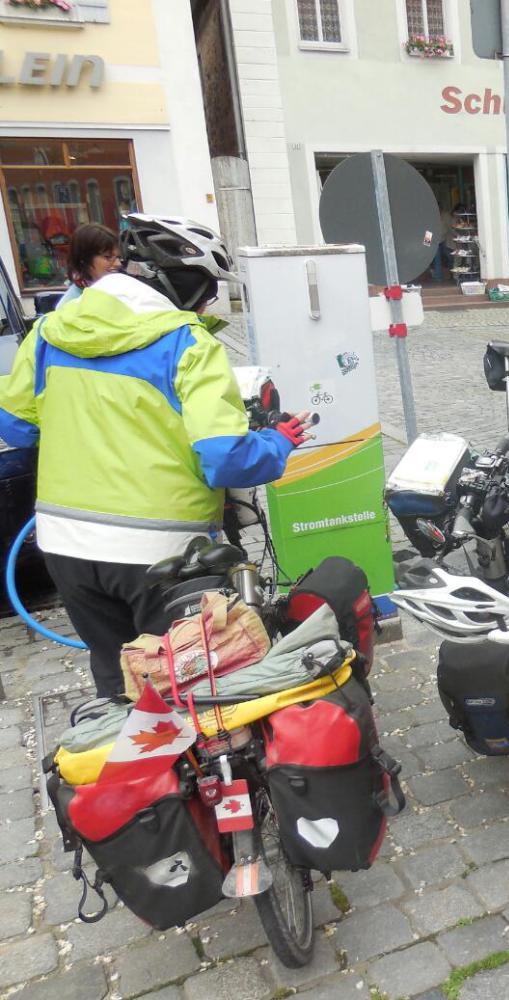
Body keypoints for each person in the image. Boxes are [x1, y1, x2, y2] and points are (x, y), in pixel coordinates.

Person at [0, 213, 315, 698]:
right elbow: (226, 459)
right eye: (208, 290)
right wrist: (278, 442)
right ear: (184, 285)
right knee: (188, 687)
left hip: (66, 544)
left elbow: (16, 427)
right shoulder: (186, 341)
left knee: (117, 680)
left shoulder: (48, 332)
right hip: (161, 550)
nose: (208, 303)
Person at [56, 223, 121, 307]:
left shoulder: (122, 291)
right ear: (84, 259)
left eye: (118, 257)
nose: (118, 264)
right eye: (108, 257)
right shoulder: (70, 306)